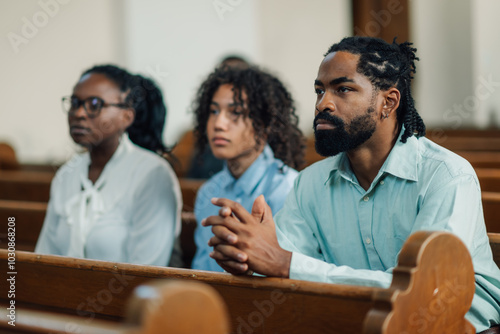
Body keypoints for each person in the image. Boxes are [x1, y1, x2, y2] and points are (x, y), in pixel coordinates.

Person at [203, 37, 500, 332]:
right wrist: (247, 258)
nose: (323, 104)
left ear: (388, 101)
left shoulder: (446, 175)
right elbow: (283, 267)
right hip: (361, 321)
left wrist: (282, 262)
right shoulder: (311, 183)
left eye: (342, 89)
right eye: (319, 90)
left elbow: (423, 290)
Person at [35, 64, 182, 266]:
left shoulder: (151, 173)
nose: (79, 113)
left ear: (126, 116)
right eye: (75, 103)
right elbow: (43, 258)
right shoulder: (66, 174)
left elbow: (146, 271)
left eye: (94, 104)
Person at [191, 66, 305, 271]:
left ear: (264, 124)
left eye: (235, 112)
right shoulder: (208, 191)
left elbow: (292, 275)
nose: (219, 123)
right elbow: (200, 271)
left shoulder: (290, 190)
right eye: (214, 111)